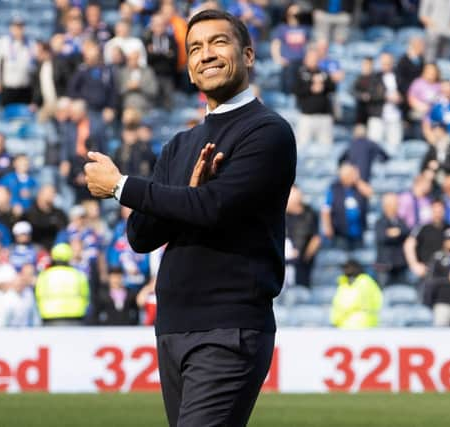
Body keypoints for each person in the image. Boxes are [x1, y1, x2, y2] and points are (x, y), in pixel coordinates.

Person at [84, 10, 295, 426]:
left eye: (219, 42)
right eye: (195, 48)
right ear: (191, 71)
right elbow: (141, 234)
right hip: (174, 328)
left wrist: (121, 186)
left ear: (248, 54)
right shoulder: (180, 145)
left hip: (228, 327)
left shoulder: (268, 132)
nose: (206, 54)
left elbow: (213, 208)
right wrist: (184, 197)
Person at [35, 243, 89, 325]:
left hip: (50, 316)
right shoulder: (78, 275)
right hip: (75, 316)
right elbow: (86, 296)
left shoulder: (44, 275)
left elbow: (38, 296)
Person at [322, 163, 372, 251]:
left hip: (358, 233)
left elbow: (369, 193)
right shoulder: (334, 188)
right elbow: (326, 209)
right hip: (340, 233)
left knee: (358, 261)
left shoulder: (358, 186)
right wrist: (327, 226)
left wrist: (357, 180)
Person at [293, 45, 336, 146]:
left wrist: (323, 85)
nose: (314, 60)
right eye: (311, 57)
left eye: (316, 57)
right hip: (307, 116)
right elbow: (296, 90)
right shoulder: (300, 73)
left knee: (326, 146)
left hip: (324, 116)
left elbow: (333, 88)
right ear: (306, 59)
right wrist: (311, 88)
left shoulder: (323, 72)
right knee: (302, 146)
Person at [68, 38, 118, 123]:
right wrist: (83, 100)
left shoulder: (106, 70)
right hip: (87, 109)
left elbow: (112, 91)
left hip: (103, 110)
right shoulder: (82, 70)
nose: (91, 52)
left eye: (93, 49)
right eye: (88, 49)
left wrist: (111, 108)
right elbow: (72, 90)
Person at [0, 16, 33, 106]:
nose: (18, 30)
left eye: (20, 27)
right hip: (8, 86)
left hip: (25, 86)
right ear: (11, 28)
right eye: (16, 27)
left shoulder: (30, 43)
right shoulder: (4, 42)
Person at [404, 198, 449, 281]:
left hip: (444, 273)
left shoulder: (449, 228)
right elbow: (409, 245)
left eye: (440, 211)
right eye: (436, 211)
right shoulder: (423, 228)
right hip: (426, 272)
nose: (438, 214)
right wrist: (414, 265)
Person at [330, 260, 383, 329]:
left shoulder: (365, 281)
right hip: (344, 326)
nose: (345, 271)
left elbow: (351, 302)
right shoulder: (344, 283)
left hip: (362, 326)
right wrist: (335, 321)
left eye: (348, 268)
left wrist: (338, 318)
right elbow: (337, 305)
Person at [285, 185, 321, 287]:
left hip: (302, 264)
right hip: (283, 263)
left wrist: (303, 257)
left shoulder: (310, 214)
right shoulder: (280, 215)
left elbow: (316, 238)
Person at [271, 3, 311, 94]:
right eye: (292, 14)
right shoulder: (282, 28)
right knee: (287, 87)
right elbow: (275, 44)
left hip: (301, 62)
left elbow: (308, 45)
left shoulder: (305, 28)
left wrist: (308, 58)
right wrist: (278, 58)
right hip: (287, 63)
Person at [366, 52, 403, 150]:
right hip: (378, 116)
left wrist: (400, 98)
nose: (386, 66)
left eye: (388, 63)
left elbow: (405, 93)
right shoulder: (374, 77)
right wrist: (385, 97)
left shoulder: (398, 77)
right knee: (373, 145)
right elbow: (370, 95)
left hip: (395, 116)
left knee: (395, 146)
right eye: (384, 63)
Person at [143, 14, 179, 110]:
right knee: (152, 104)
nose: (159, 27)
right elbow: (147, 58)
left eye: (161, 25)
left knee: (169, 104)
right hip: (152, 76)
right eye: (157, 25)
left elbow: (174, 58)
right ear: (152, 26)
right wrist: (165, 54)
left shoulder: (171, 39)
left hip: (167, 76)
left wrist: (155, 53)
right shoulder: (147, 39)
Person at [375, 193, 410, 287]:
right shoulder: (380, 222)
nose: (396, 207)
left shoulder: (401, 221)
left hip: (400, 265)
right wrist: (397, 233)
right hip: (384, 265)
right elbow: (382, 237)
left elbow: (406, 232)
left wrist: (394, 233)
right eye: (393, 204)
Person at [24, 184, 68, 251]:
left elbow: (64, 228)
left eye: (53, 193)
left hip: (56, 249)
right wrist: (52, 223)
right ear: (40, 194)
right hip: (35, 249)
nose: (52, 195)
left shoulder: (59, 213)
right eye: (49, 193)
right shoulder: (30, 213)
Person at [421, 123, 450, 187]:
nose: (434, 133)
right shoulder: (433, 146)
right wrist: (427, 171)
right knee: (425, 178)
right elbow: (424, 164)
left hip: (449, 175)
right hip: (435, 177)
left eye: (436, 130)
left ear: (442, 131)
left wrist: (439, 165)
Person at [118, 50, 159, 115]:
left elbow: (153, 91)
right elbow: (118, 92)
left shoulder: (148, 72)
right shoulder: (122, 72)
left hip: (145, 109)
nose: (133, 61)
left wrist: (140, 87)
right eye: (130, 59)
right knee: (129, 117)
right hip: (128, 109)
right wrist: (128, 87)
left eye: (135, 59)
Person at [352, 57, 373, 125]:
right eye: (365, 64)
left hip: (373, 113)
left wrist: (371, 96)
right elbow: (351, 91)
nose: (367, 66)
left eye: (368, 64)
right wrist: (361, 96)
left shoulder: (376, 78)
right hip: (361, 112)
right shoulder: (359, 78)